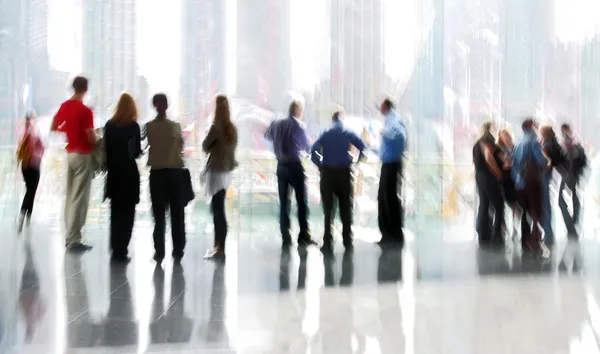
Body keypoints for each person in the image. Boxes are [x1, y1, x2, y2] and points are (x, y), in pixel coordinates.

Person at [50, 76, 97, 252]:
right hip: (83, 155)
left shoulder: (64, 106)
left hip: (69, 154)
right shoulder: (85, 111)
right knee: (80, 197)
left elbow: (54, 127)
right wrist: (97, 137)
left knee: (70, 195)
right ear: (85, 89)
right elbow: (91, 137)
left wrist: (68, 129)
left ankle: (69, 236)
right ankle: (74, 239)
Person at [310, 111, 367, 253]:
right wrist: (355, 164)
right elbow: (363, 149)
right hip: (344, 174)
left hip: (328, 174)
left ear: (332, 119)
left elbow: (313, 151)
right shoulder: (347, 132)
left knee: (328, 210)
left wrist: (319, 165)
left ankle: (327, 242)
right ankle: (348, 241)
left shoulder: (326, 133)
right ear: (342, 119)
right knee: (346, 209)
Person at [265, 100, 313, 247]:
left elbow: (267, 136)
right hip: (295, 167)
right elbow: (306, 147)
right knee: (301, 202)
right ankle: (303, 234)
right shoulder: (299, 126)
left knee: (284, 202)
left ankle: (285, 234)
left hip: (281, 167)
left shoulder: (276, 124)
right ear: (298, 111)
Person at [145, 93, 186, 262]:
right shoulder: (175, 126)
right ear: (166, 106)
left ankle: (159, 251)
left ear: (154, 105)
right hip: (175, 174)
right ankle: (177, 250)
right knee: (177, 215)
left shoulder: (148, 127)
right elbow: (180, 147)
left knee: (159, 216)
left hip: (157, 174)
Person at [103, 93, 142, 262]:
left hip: (113, 173)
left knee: (115, 211)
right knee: (128, 213)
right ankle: (122, 249)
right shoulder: (133, 127)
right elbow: (135, 152)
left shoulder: (109, 126)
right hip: (129, 172)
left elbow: (106, 149)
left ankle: (114, 247)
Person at [201, 95, 238, 260]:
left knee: (217, 211)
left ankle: (219, 248)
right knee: (219, 209)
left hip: (215, 172)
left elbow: (204, 146)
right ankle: (219, 247)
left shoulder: (216, 127)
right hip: (226, 173)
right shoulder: (232, 128)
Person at [511, 118, 550, 256]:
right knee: (536, 211)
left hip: (519, 183)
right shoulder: (533, 141)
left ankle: (525, 240)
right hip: (532, 182)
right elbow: (542, 161)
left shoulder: (517, 143)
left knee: (525, 212)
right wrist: (547, 161)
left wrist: (518, 179)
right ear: (531, 126)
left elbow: (512, 165)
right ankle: (534, 241)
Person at [377, 98, 407, 247]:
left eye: (381, 105)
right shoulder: (390, 119)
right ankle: (388, 233)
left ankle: (392, 234)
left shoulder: (394, 120)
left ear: (385, 106)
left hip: (391, 164)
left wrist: (384, 133)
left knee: (389, 199)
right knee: (385, 198)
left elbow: (400, 137)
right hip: (389, 164)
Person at [472, 121, 504, 246]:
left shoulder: (476, 144)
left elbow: (474, 161)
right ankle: (497, 236)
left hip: (479, 176)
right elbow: (489, 158)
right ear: (489, 129)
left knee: (484, 204)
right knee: (499, 205)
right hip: (488, 178)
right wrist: (498, 173)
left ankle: (483, 234)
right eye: (494, 127)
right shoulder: (488, 142)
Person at [16, 111, 45, 232]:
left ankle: (25, 218)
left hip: (25, 165)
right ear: (33, 119)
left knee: (29, 190)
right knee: (31, 192)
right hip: (34, 165)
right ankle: (25, 216)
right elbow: (42, 147)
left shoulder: (22, 131)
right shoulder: (34, 131)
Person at [559, 123, 587, 239]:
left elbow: (575, 160)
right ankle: (574, 223)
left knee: (563, 201)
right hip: (573, 177)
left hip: (569, 178)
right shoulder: (575, 145)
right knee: (573, 199)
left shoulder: (571, 146)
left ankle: (572, 226)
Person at [539, 125, 565, 245]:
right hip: (548, 177)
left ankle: (548, 233)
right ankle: (549, 232)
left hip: (543, 177)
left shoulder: (546, 144)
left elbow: (545, 160)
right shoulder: (552, 142)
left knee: (544, 205)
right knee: (546, 204)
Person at [497, 128, 520, 237]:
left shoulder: (514, 148)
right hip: (503, 178)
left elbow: (514, 163)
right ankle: (504, 228)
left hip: (512, 178)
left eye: (506, 135)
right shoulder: (499, 149)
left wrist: (510, 163)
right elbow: (505, 163)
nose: (505, 138)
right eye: (502, 136)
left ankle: (515, 228)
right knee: (503, 203)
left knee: (514, 204)